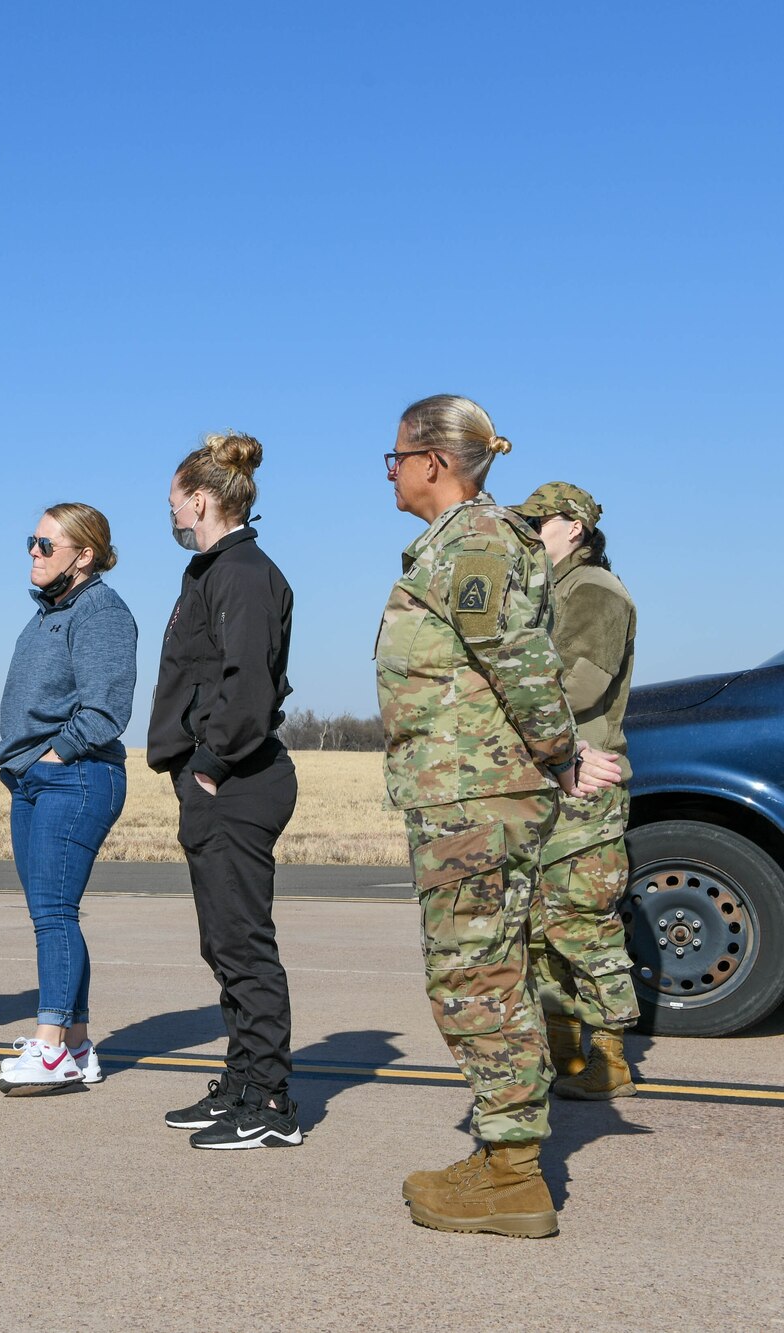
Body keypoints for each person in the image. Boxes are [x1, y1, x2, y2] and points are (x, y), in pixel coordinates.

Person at [375, 394, 622, 1239]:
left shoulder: (473, 544)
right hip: (468, 797)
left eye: (395, 457)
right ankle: (506, 1155)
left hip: (474, 802)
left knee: (475, 978)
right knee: (487, 971)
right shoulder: (467, 542)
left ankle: (512, 1173)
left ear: (433, 462)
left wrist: (562, 752)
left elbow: (517, 660)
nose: (392, 471)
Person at [146, 434, 302, 1147]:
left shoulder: (239, 573)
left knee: (244, 946)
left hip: (237, 781)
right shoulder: (214, 571)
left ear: (202, 500)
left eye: (175, 500)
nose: (172, 512)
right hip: (218, 780)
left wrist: (209, 761)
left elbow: (248, 681)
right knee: (224, 944)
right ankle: (241, 1079)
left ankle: (269, 1104)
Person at [0, 504, 136, 1096]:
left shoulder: (101, 611)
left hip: (75, 778)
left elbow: (107, 708)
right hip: (35, 781)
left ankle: (50, 1048)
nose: (33, 551)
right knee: (51, 914)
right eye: (31, 540)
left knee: (53, 914)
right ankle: (74, 1044)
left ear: (83, 555)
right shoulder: (48, 615)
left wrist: (58, 755)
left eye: (46, 544)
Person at [513, 482, 642, 1098]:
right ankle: (564, 1052)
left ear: (575, 528)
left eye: (541, 522)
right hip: (549, 777)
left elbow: (583, 685)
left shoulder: (592, 590)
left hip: (584, 784)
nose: (530, 531)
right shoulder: (551, 590)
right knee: (540, 927)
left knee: (583, 923)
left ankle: (612, 1058)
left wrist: (506, 712)